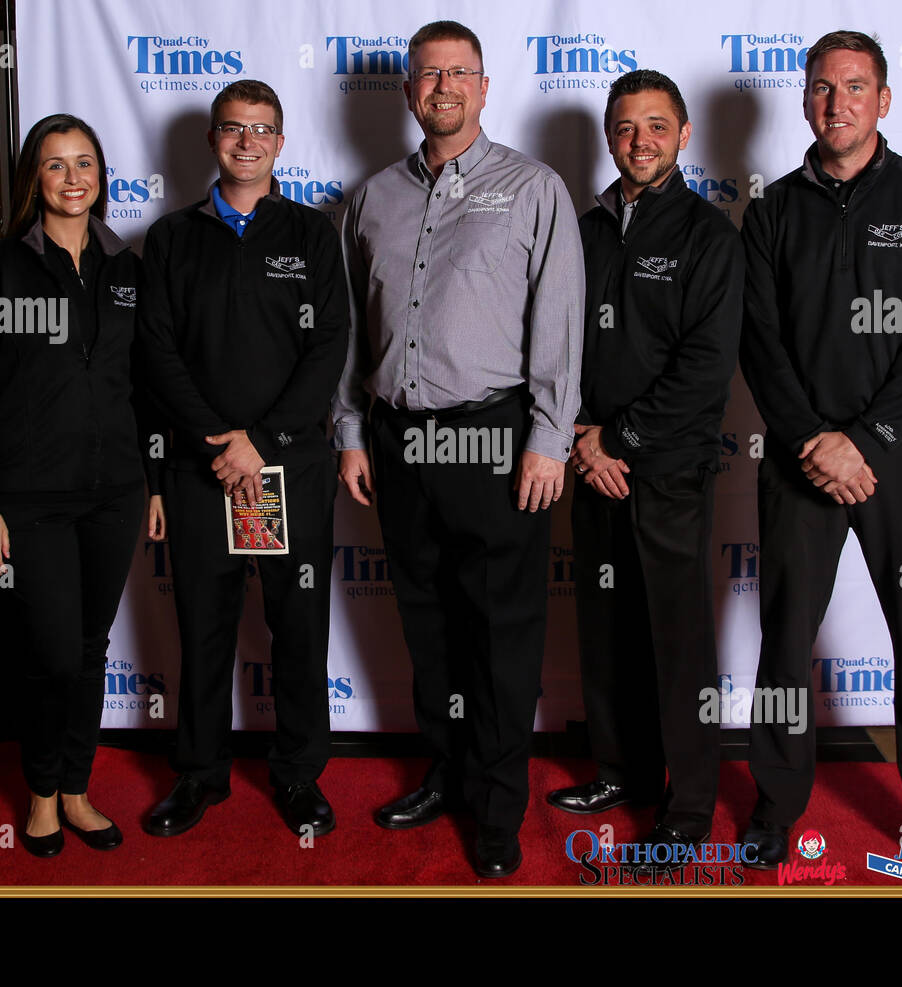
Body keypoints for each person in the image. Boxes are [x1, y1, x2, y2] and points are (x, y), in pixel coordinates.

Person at [333, 20, 584, 878]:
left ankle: (498, 804)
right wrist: (351, 430)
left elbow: (557, 324)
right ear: (407, 91)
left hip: (494, 438)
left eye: (458, 73)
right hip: (398, 442)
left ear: (484, 87)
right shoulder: (371, 199)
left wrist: (550, 440)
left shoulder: (533, 188)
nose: (442, 87)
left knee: (503, 632)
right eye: (426, 74)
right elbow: (348, 332)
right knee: (428, 626)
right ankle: (444, 772)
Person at [738, 30, 902, 873]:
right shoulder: (768, 214)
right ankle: (775, 805)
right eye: (822, 89)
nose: (836, 104)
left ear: (882, 99)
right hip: (801, 459)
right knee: (784, 635)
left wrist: (864, 440)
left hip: (900, 455)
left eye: (854, 87)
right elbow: (760, 344)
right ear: (804, 99)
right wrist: (812, 441)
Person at [137, 80, 349, 839]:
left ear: (281, 143)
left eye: (262, 130)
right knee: (205, 624)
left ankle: (297, 773)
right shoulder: (170, 239)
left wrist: (259, 443)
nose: (247, 142)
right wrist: (220, 444)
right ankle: (199, 773)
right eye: (233, 129)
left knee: (297, 625)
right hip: (204, 471)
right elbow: (157, 353)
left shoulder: (311, 234)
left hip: (285, 468)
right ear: (213, 140)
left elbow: (329, 349)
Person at [546, 70, 742, 854]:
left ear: (684, 135)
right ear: (608, 137)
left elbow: (704, 367)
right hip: (591, 466)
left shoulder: (710, 238)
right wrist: (578, 437)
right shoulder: (584, 229)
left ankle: (690, 804)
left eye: (657, 126)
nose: (640, 141)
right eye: (626, 128)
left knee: (677, 643)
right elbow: (556, 345)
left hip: (664, 473)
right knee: (605, 631)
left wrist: (618, 441)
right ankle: (621, 770)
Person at [0, 114, 165, 858]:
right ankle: (40, 792)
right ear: (34, 180)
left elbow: (144, 387)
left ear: (102, 176)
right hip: (30, 499)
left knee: (88, 647)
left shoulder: (126, 268)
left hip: (113, 492)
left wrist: (155, 483)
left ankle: (78, 790)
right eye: (56, 165)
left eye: (86, 164)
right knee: (51, 651)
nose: (73, 178)